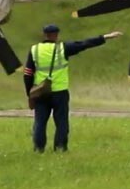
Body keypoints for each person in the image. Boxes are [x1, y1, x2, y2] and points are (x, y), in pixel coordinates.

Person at [23, 24, 123, 152]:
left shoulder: (34, 50)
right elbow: (84, 44)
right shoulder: (63, 48)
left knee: (40, 122)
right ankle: (60, 147)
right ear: (56, 35)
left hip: (41, 92)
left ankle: (38, 148)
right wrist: (105, 37)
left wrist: (30, 94)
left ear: (44, 34)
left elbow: (27, 74)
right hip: (60, 92)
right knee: (61, 122)